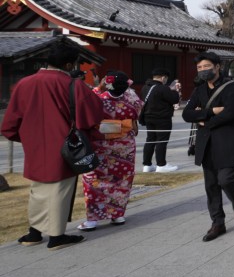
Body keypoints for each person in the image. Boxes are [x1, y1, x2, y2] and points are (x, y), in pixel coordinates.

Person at [2, 42, 106, 249]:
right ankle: (57, 236)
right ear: (68, 64)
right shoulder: (73, 85)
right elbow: (93, 113)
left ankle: (34, 233)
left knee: (38, 188)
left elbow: (11, 121)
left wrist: (25, 136)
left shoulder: (24, 83)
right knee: (59, 188)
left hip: (34, 143)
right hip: (64, 143)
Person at [181, 52, 234, 243]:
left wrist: (204, 120)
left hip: (227, 142)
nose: (203, 70)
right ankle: (217, 222)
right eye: (199, 68)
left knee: (225, 179)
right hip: (206, 144)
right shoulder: (199, 90)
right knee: (211, 185)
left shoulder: (231, 87)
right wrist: (211, 111)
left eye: (206, 66)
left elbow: (230, 113)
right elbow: (187, 114)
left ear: (217, 67)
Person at [78, 71, 143, 231]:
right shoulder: (132, 99)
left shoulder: (97, 98)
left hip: (100, 144)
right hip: (124, 146)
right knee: (121, 180)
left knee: (94, 180)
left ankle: (92, 219)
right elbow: (137, 113)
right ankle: (117, 214)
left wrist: (98, 88)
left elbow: (85, 107)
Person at [140, 68, 181, 173]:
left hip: (148, 117)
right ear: (163, 77)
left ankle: (147, 165)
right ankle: (161, 164)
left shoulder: (145, 87)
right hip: (162, 118)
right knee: (162, 141)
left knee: (150, 140)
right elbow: (175, 99)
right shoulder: (163, 88)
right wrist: (175, 91)